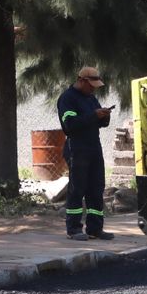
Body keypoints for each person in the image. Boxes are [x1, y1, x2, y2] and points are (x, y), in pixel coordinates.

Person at [56, 66, 114, 241]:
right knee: (77, 189)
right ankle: (74, 229)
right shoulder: (68, 99)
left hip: (94, 147)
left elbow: (99, 123)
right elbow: (70, 125)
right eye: (91, 85)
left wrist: (104, 116)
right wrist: (93, 115)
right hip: (77, 148)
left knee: (96, 188)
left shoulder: (90, 98)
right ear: (81, 81)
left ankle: (95, 228)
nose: (93, 88)